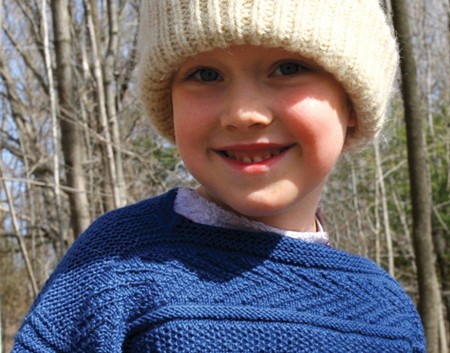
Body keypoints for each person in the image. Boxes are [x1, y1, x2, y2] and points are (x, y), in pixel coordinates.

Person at [12, 0, 425, 352]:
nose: (243, 113)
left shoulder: (387, 312)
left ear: (352, 102)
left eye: (288, 67)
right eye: (206, 75)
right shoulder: (116, 262)